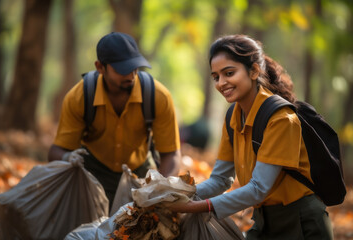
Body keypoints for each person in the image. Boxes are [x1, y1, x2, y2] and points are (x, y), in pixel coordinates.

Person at [168, 34, 333, 239]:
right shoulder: (233, 117)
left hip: (302, 223)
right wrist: (173, 195)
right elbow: (220, 179)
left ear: (254, 71)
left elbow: (258, 188)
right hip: (263, 221)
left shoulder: (281, 119)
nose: (221, 83)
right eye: (216, 77)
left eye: (229, 73)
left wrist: (195, 207)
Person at [48, 32, 181, 207]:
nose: (131, 75)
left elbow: (171, 154)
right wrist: (67, 156)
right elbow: (55, 151)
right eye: (122, 69)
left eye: (135, 67)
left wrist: (159, 189)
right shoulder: (79, 98)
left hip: (139, 173)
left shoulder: (158, 96)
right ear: (100, 67)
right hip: (92, 173)